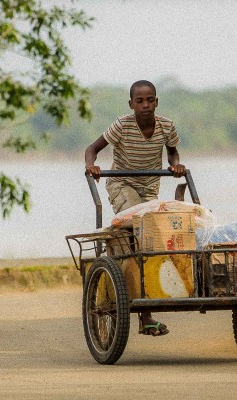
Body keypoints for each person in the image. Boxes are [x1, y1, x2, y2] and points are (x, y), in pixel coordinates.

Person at [85, 80, 186, 336]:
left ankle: (146, 312)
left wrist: (176, 165)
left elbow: (173, 153)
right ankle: (145, 314)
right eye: (139, 101)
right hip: (122, 182)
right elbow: (92, 149)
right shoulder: (122, 125)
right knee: (135, 230)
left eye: (150, 100)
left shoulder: (166, 126)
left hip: (149, 186)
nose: (145, 105)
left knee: (150, 242)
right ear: (131, 104)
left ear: (156, 102)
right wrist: (92, 166)